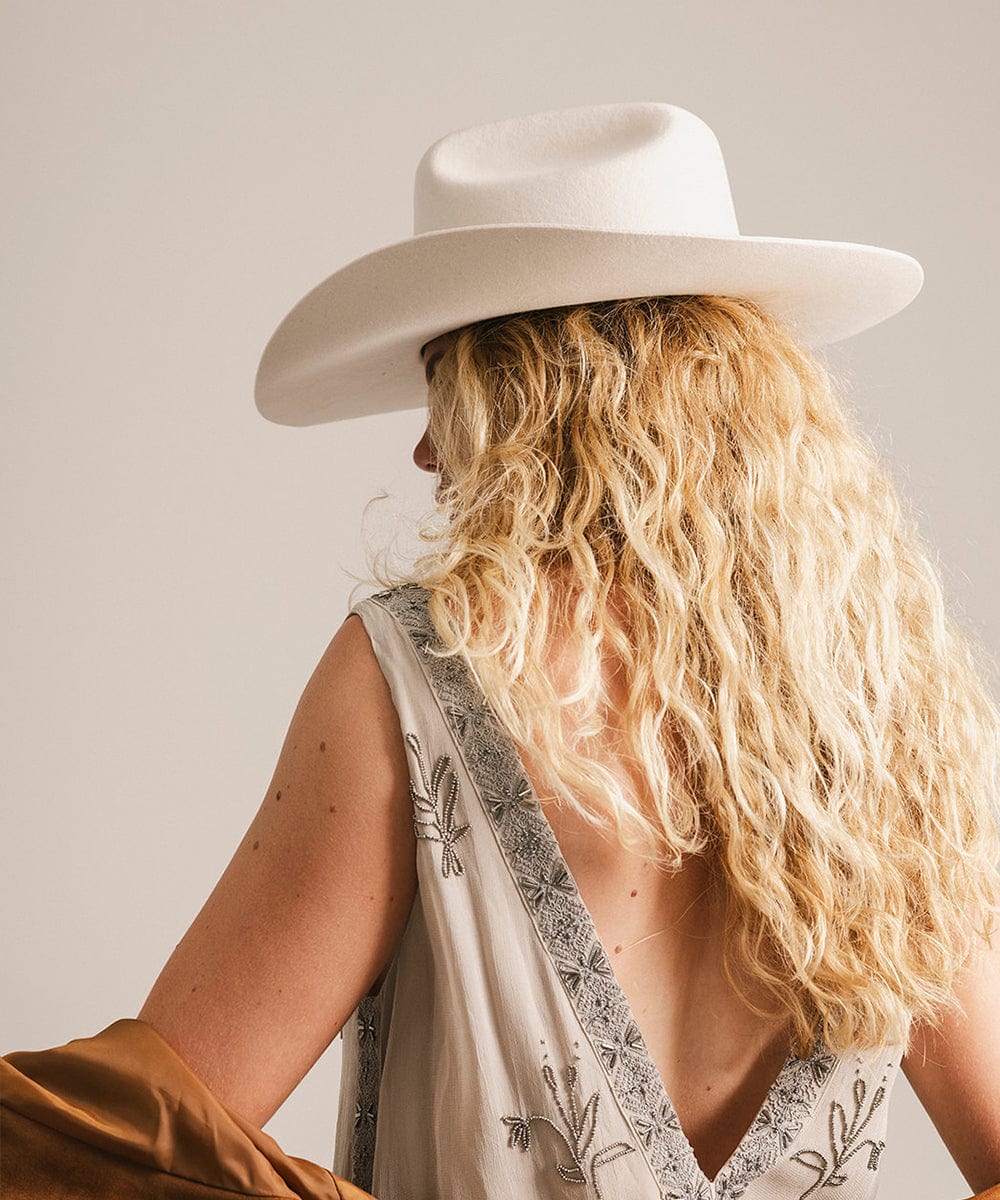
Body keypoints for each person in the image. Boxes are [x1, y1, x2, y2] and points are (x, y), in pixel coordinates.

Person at [3, 102, 1000, 1200]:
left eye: (447, 384)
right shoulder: (887, 709)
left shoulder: (411, 674)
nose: (425, 449)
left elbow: (126, 1141)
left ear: (527, 403)